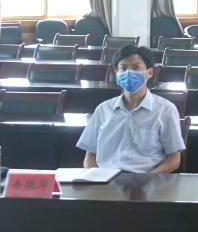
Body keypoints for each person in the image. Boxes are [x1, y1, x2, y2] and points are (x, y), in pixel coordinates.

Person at [76, 45, 185, 173]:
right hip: (106, 179)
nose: (128, 73)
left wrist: (148, 179)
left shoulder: (165, 110)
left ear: (149, 72)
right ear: (116, 73)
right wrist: (95, 177)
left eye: (136, 67)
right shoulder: (103, 109)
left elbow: (174, 159)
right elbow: (90, 156)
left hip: (146, 179)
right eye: (123, 68)